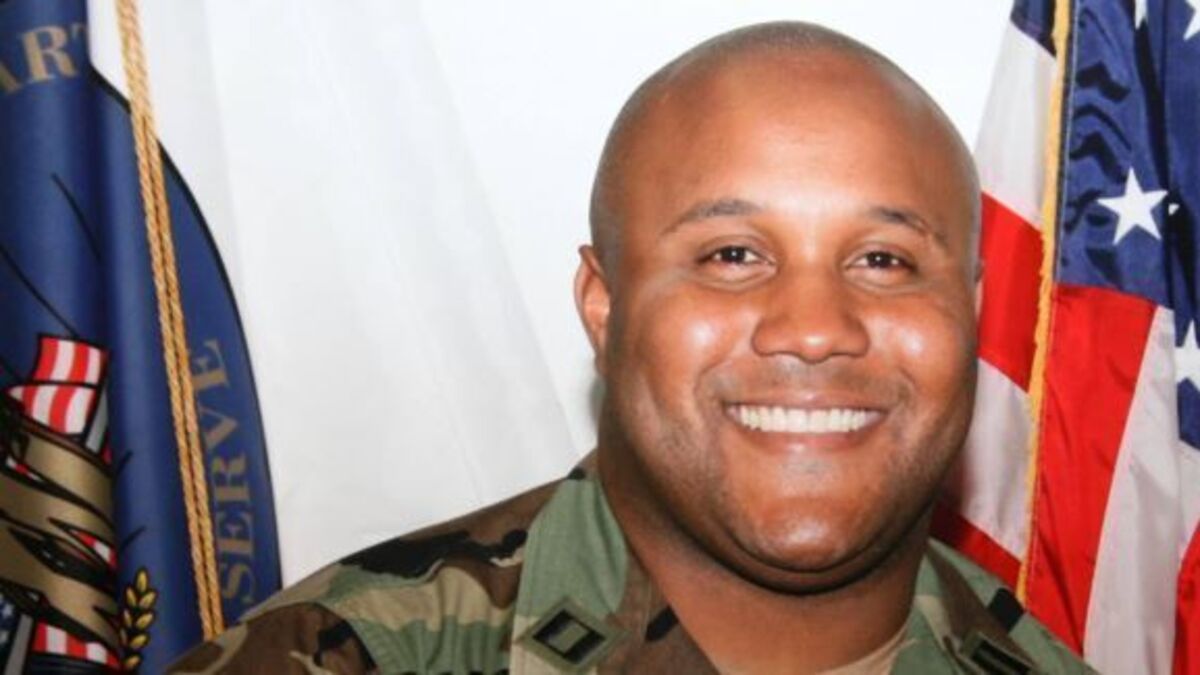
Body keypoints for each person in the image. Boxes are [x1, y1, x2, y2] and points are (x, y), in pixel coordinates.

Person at [170, 22, 1094, 674]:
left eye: (885, 260)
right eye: (732, 255)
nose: (815, 328)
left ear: (970, 312)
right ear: (604, 307)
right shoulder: (330, 657)